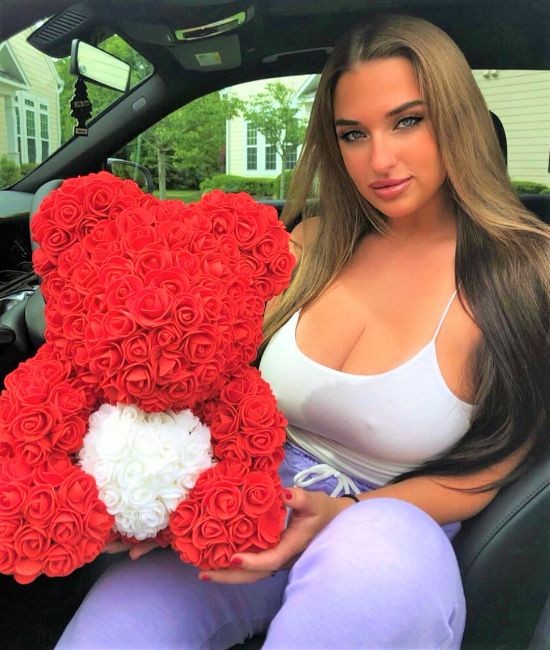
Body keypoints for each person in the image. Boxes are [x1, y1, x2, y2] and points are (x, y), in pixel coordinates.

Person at [56, 14, 549, 649]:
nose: (380, 160)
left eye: (408, 121)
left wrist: (344, 513)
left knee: (377, 549)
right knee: (116, 630)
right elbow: (208, 376)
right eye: (353, 134)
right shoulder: (313, 242)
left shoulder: (523, 273)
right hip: (248, 498)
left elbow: (493, 468)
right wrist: (158, 491)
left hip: (394, 522)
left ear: (458, 119)